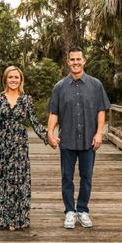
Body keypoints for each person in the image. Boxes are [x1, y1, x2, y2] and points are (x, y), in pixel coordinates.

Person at [47, 47, 111, 229]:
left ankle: (82, 210)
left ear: (84, 61)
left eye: (78, 59)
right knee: (67, 177)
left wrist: (99, 133)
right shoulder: (59, 87)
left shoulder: (96, 85)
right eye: (72, 59)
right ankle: (69, 211)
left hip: (88, 140)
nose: (75, 62)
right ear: (68, 62)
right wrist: (50, 134)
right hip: (66, 140)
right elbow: (54, 113)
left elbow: (101, 110)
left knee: (87, 177)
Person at [0, 66, 48, 231]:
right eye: (10, 77)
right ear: (5, 79)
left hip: (20, 145)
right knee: (2, 181)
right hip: (2, 144)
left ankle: (18, 219)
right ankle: (2, 219)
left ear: (21, 80)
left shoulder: (26, 99)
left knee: (19, 181)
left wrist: (48, 137)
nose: (13, 80)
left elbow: (34, 121)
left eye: (16, 77)